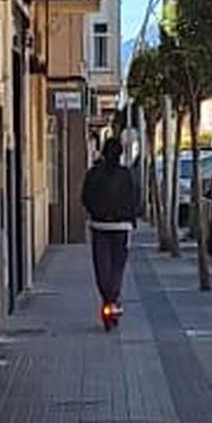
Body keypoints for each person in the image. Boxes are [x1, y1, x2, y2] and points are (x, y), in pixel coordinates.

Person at [81, 137, 139, 327]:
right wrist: (130, 216)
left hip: (99, 226)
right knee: (117, 267)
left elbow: (85, 197)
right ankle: (113, 299)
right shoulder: (126, 175)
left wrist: (96, 213)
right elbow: (135, 198)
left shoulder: (93, 174)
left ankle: (108, 299)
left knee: (102, 267)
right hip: (122, 227)